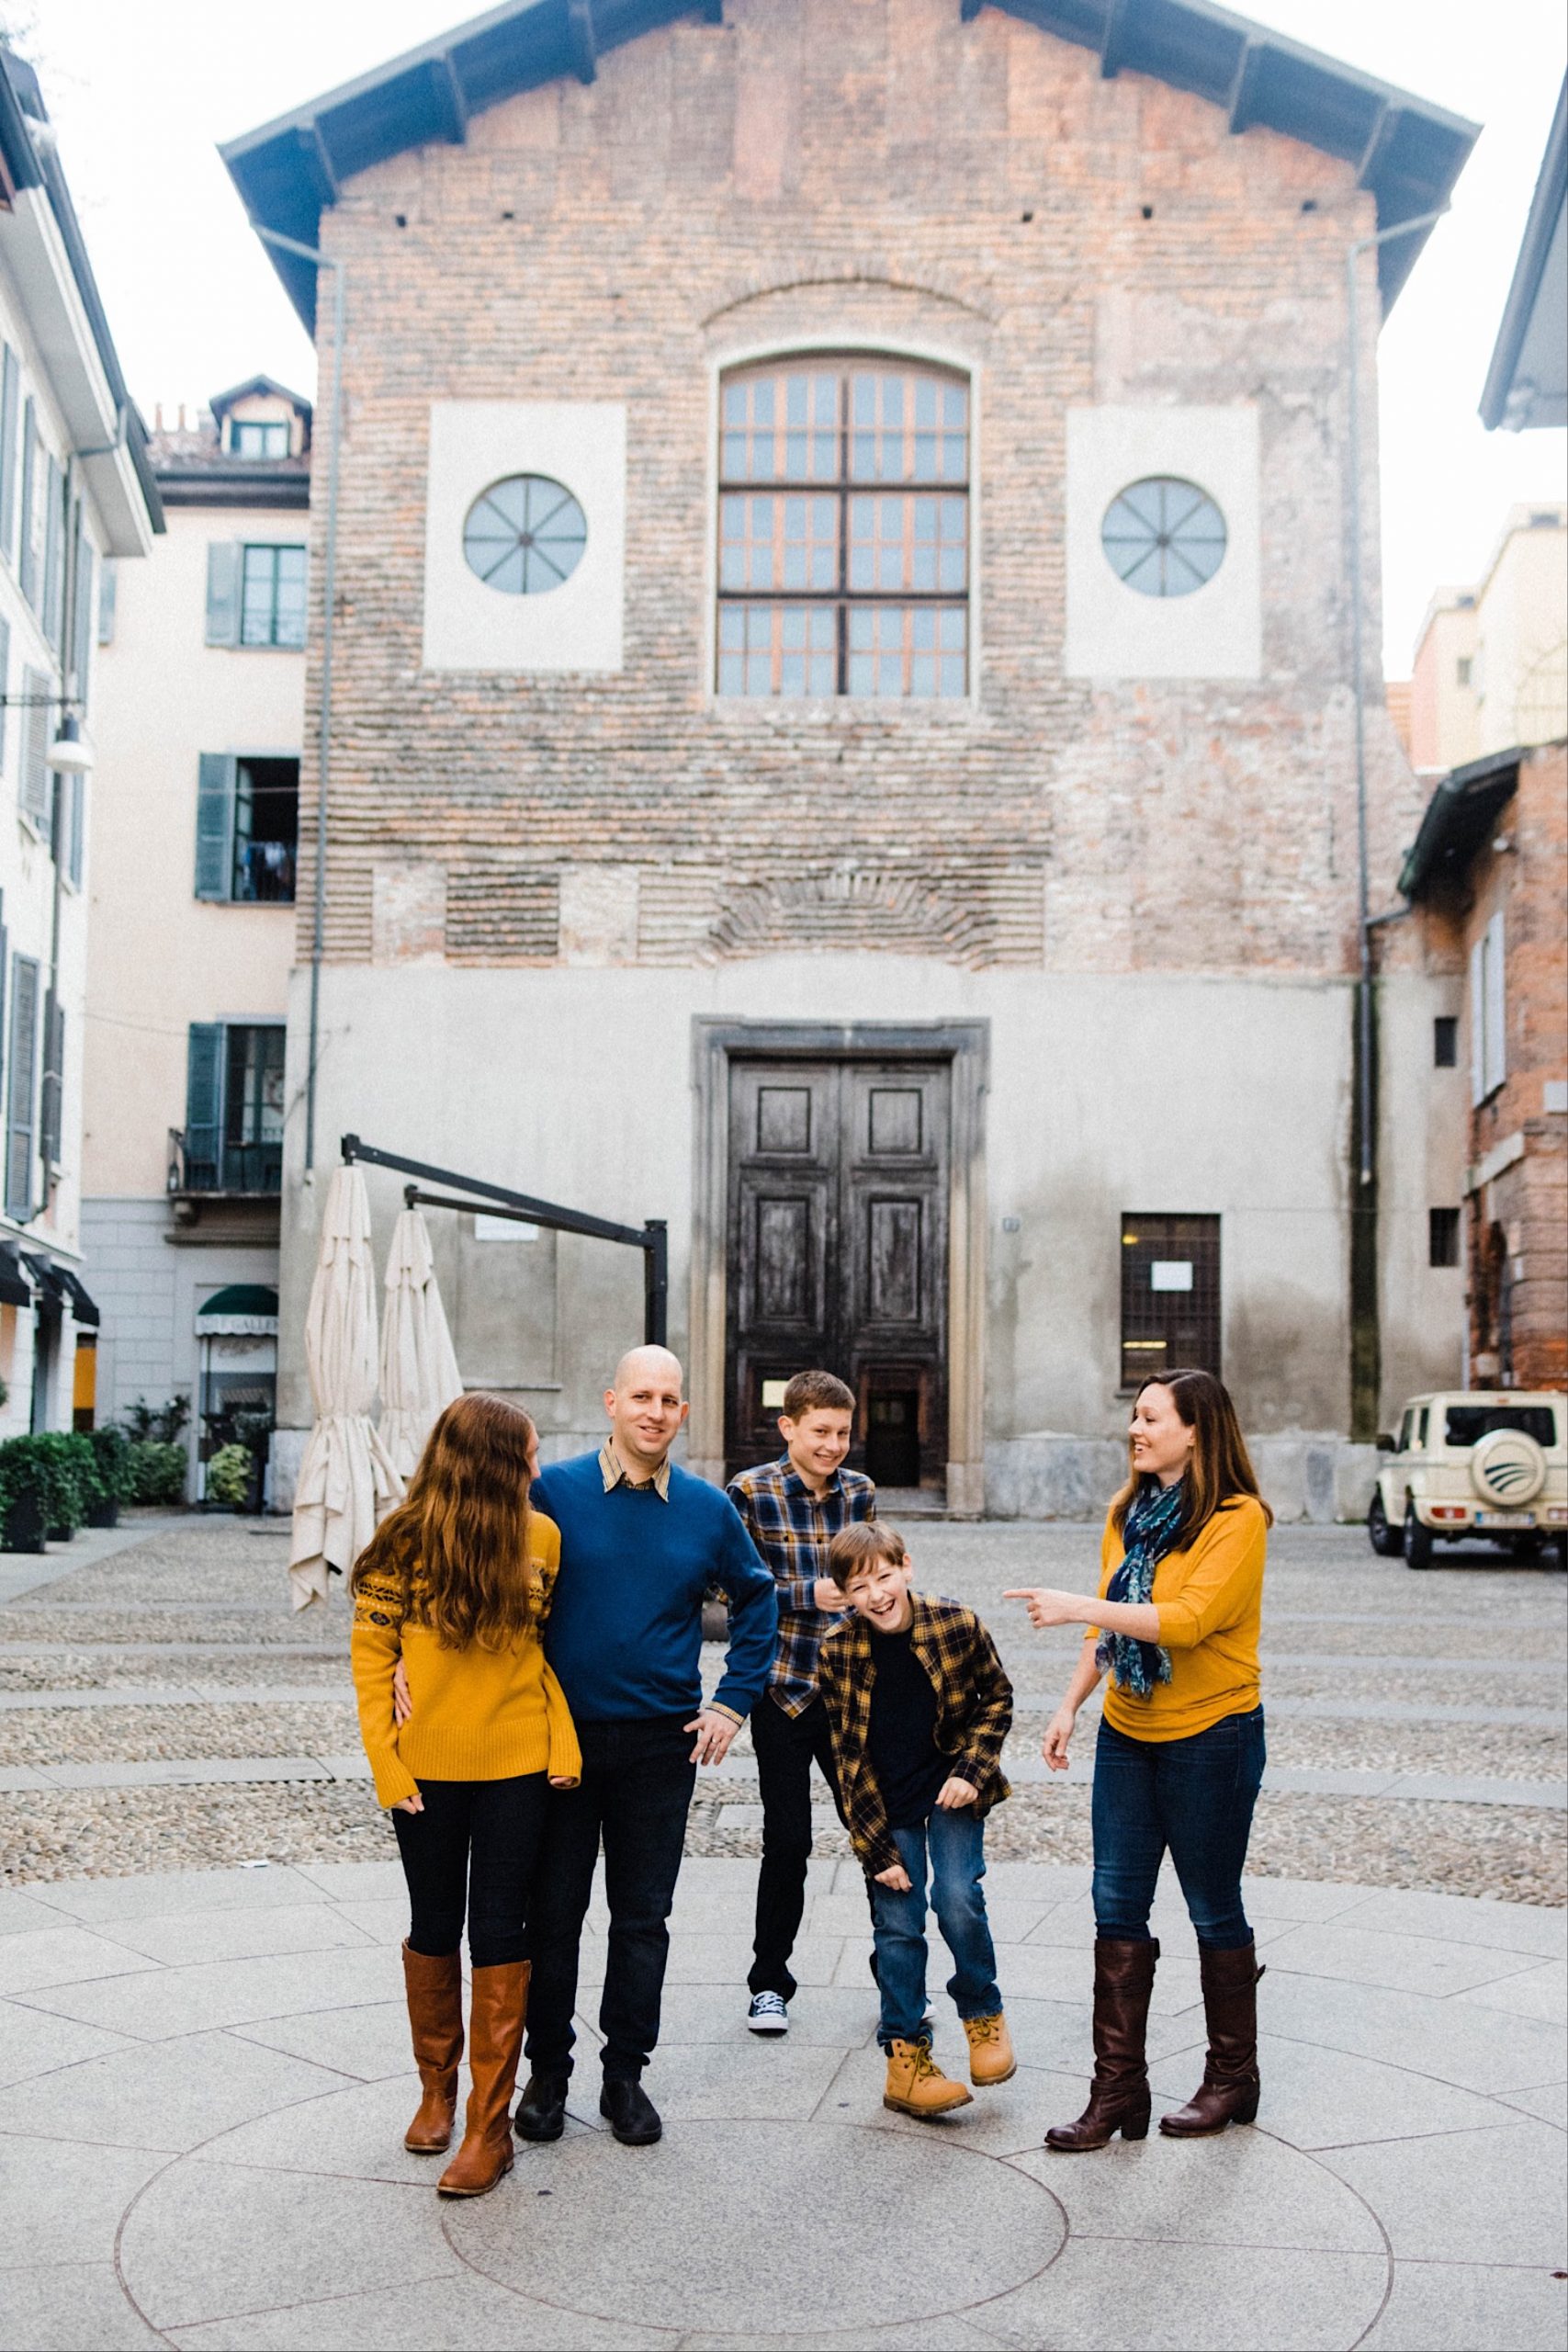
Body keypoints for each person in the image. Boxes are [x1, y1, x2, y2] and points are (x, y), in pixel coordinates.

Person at [513, 1345, 778, 2147]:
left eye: (669, 1399)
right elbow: (485, 1583)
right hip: (557, 1745)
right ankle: (548, 2075)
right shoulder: (551, 1492)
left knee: (642, 1917)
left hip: (662, 1747)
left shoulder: (706, 1510)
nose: (655, 1411)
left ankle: (624, 2074)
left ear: (682, 1413)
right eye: (641, 1396)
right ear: (611, 1403)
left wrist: (731, 1703)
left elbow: (758, 1603)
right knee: (552, 1917)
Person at [1005, 1367, 1271, 2153]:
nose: (1135, 1429)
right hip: (1129, 1732)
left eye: (1150, 1417)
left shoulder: (1238, 1519)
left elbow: (1184, 1623)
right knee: (1115, 1907)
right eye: (1133, 1416)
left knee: (1210, 1906)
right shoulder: (1130, 1511)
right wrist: (1068, 1705)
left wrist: (1078, 1606)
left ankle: (1231, 2077)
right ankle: (1116, 2089)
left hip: (1211, 1736)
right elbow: (1111, 1622)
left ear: (1195, 1430)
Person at [350, 1393, 580, 2200]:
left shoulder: (543, 1538)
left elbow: (536, 1650)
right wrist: (390, 1768)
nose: (538, 1468)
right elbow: (372, 1665)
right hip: (427, 1771)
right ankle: (436, 2093)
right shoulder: (397, 1547)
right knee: (431, 1924)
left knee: (499, 1933)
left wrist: (558, 1742)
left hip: (517, 1764)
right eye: (527, 1454)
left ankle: (490, 2127)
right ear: (491, 1462)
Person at [818, 1521, 1015, 2120]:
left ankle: (982, 2014)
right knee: (898, 1926)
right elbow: (845, 1760)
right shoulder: (837, 1650)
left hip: (951, 1792)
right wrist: (874, 1851)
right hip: (887, 1804)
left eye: (883, 1577)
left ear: (906, 1566)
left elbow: (997, 1698)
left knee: (957, 1898)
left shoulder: (956, 1624)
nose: (876, 1594)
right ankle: (905, 2059)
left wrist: (971, 1771)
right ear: (843, 1594)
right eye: (859, 1586)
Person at [728, 1368, 875, 2036]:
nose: (833, 1445)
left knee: (880, 1836)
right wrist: (802, 1594)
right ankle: (768, 1985)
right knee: (786, 1841)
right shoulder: (750, 1494)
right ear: (788, 1427)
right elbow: (726, 1590)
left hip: (851, 1694)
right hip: (781, 1691)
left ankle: (898, 1978)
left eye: (842, 1433)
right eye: (820, 1431)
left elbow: (877, 1575)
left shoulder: (859, 1493)